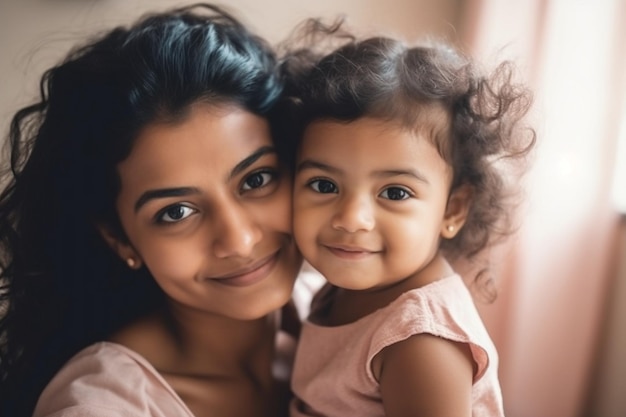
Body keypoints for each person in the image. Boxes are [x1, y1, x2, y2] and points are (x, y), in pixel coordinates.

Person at [0, 4, 303, 417]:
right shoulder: (103, 406)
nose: (239, 239)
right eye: (176, 212)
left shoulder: (347, 308)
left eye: (255, 180)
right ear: (119, 237)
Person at [280, 32, 536, 417]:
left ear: (453, 210)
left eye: (395, 193)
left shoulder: (421, 342)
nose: (351, 218)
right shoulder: (343, 286)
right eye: (324, 185)